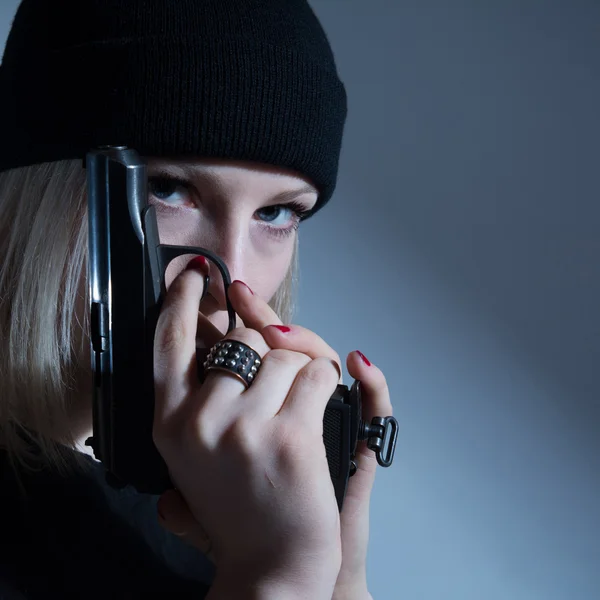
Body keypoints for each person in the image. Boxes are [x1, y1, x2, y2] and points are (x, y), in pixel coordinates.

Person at [0, 1, 394, 598]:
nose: (228, 274)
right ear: (37, 195)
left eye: (277, 212)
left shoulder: (223, 518)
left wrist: (336, 575)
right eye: (168, 188)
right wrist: (275, 581)